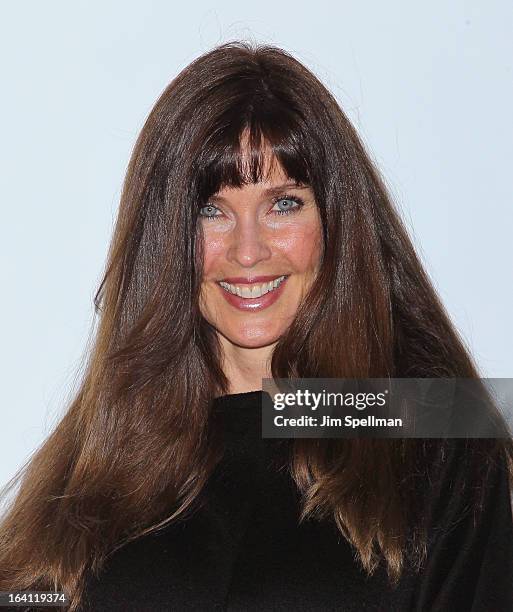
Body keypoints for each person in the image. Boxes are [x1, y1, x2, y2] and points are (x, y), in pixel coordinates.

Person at [1, 41, 512, 612]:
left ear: (336, 221)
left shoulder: (433, 429)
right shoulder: (109, 454)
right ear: (166, 239)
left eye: (284, 204)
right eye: (210, 210)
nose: (248, 252)